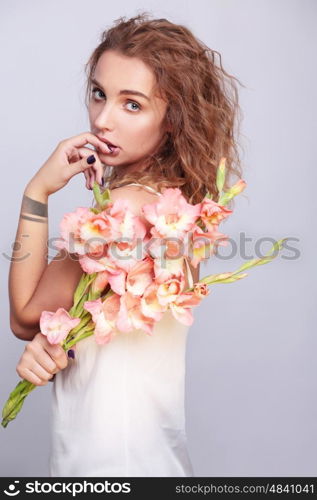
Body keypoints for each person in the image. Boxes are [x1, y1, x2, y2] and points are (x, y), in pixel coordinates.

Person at [9, 12, 243, 477]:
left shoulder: (120, 212)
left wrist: (36, 192)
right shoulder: (184, 209)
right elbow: (86, 324)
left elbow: (24, 316)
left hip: (105, 458)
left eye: (131, 104)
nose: (102, 119)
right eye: (100, 93)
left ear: (173, 119)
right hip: (153, 451)